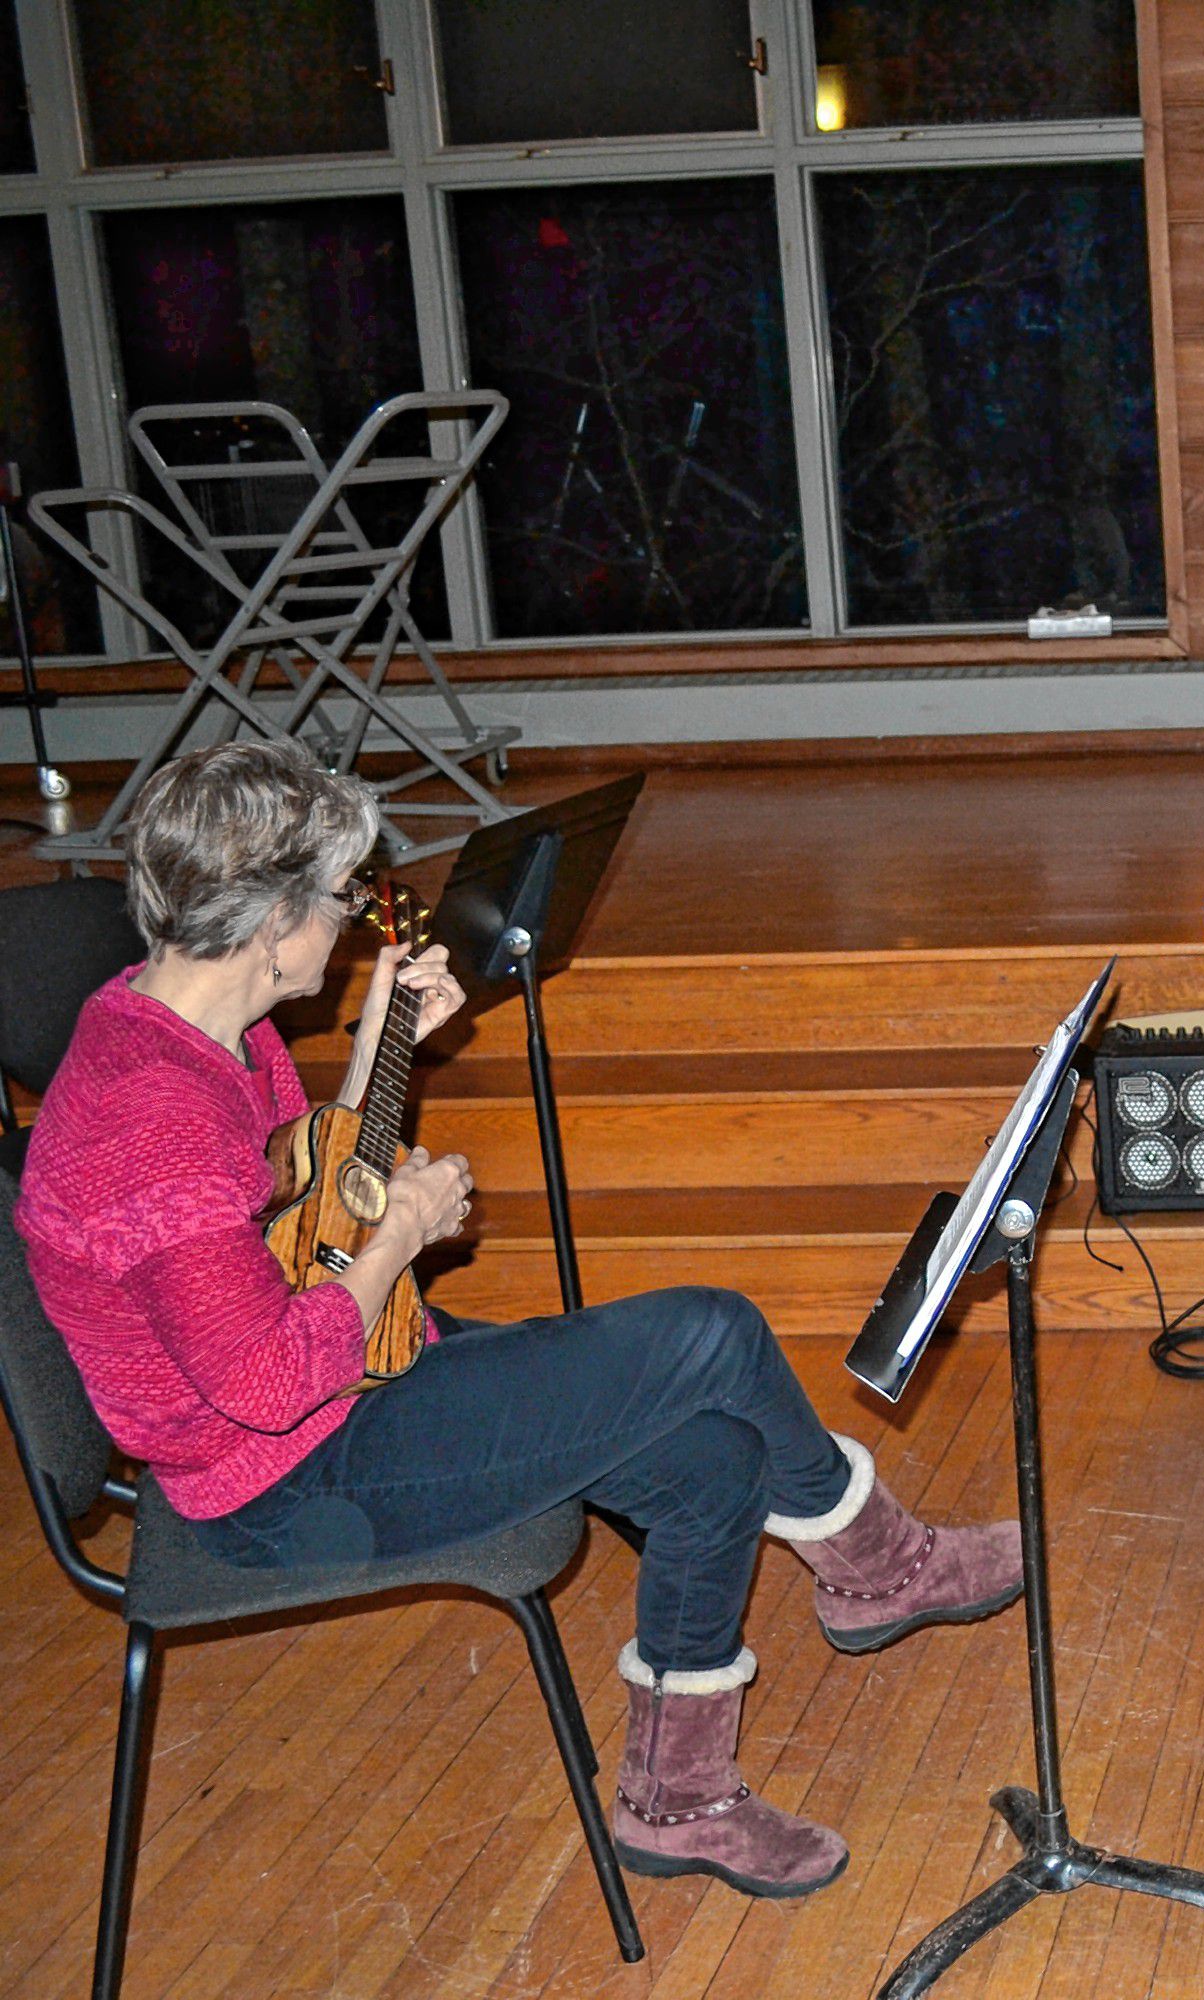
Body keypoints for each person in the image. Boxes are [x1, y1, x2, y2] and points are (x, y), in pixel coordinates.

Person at [12, 742, 1025, 1900]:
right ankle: (878, 1562)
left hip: (343, 1386)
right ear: (272, 924)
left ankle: (680, 1799)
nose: (348, 921)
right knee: (714, 1330)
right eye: (338, 899)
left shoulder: (190, 1023)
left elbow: (300, 1201)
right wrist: (404, 1234)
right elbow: (261, 1376)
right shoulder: (153, 1122)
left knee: (717, 1455)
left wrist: (383, 1051)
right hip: (279, 1482)